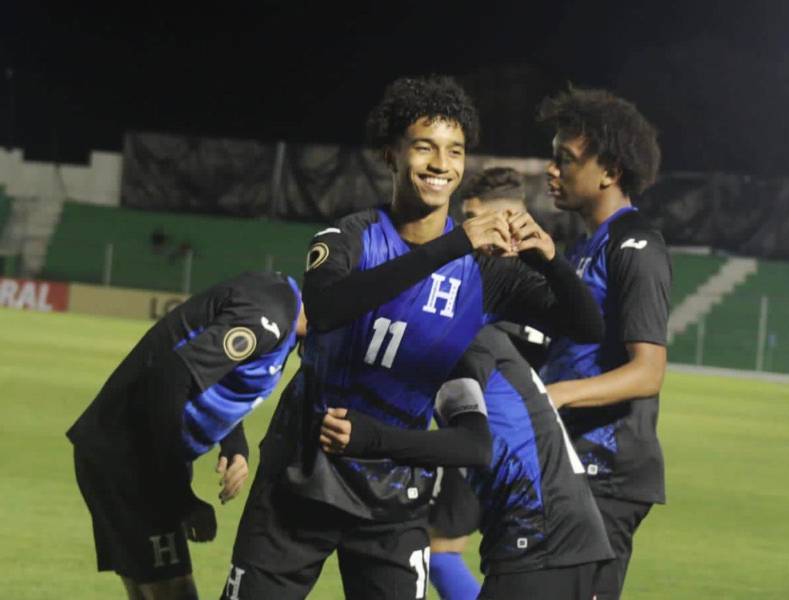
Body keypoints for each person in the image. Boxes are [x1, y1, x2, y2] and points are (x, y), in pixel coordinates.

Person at [222, 75, 604, 600]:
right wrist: (452, 245)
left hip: (392, 500)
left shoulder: (483, 271)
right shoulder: (349, 237)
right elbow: (329, 310)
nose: (440, 164)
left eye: (455, 151)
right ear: (390, 153)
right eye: (424, 147)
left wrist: (552, 260)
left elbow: (587, 325)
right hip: (300, 482)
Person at [324, 325, 615, 600]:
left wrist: (371, 438)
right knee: (441, 549)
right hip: (564, 537)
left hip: (542, 540)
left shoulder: (462, 338)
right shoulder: (475, 335)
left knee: (440, 549)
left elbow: (472, 446)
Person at [67, 270, 304, 600]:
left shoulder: (277, 303)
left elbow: (206, 374)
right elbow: (170, 377)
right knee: (173, 591)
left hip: (115, 449)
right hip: (131, 457)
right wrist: (181, 498)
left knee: (147, 589)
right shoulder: (270, 316)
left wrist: (234, 445)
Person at [537, 87, 670, 600]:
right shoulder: (579, 251)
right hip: (568, 464)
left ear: (609, 171)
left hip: (607, 475)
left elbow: (647, 371)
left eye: (564, 160)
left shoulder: (637, 246)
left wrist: (557, 395)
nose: (552, 170)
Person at [425, 166, 548, 599]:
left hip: (483, 439)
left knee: (437, 552)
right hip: (529, 455)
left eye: (478, 216)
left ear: (512, 218)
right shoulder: (546, 283)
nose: (470, 228)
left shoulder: (495, 287)